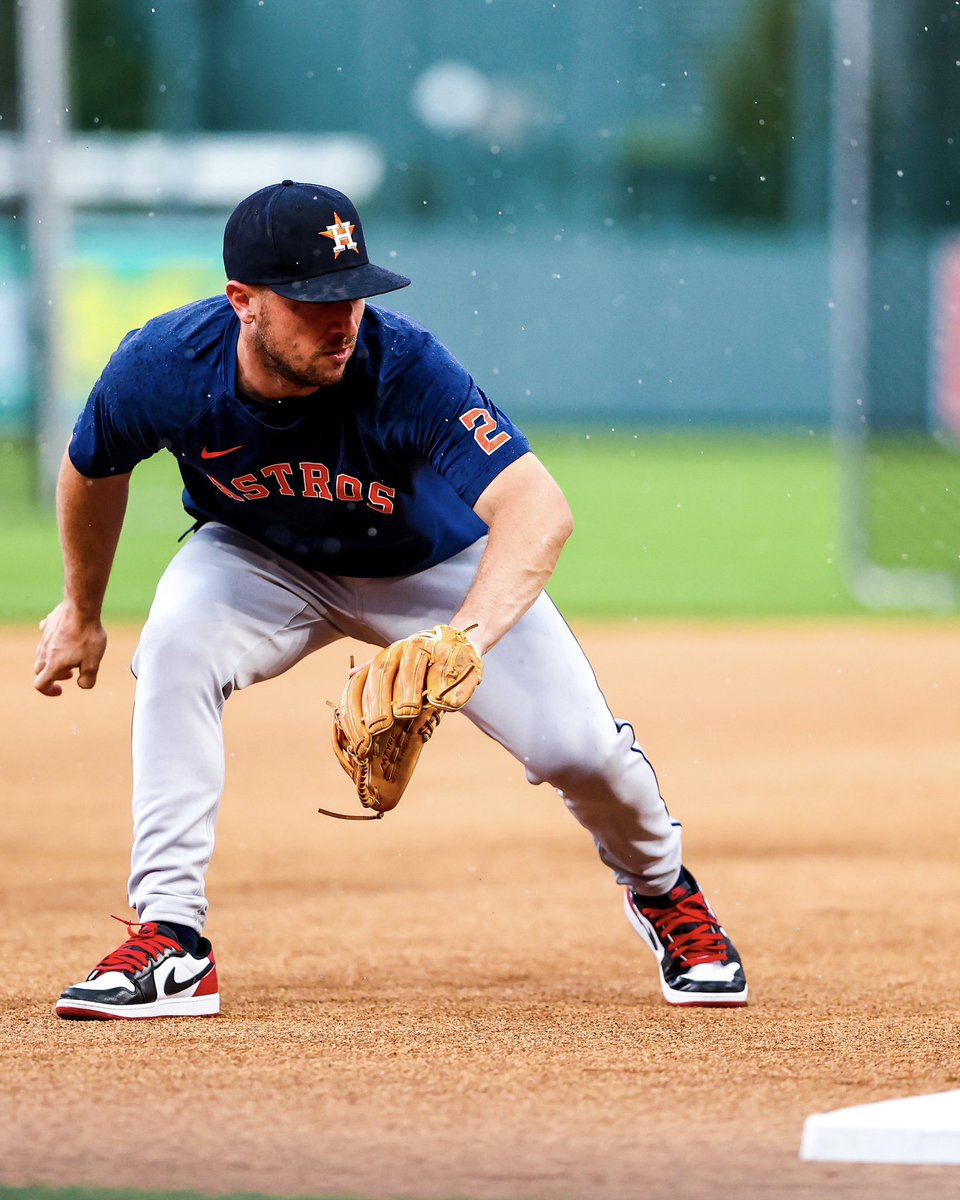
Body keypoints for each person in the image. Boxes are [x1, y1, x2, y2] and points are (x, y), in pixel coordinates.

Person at [34, 180, 748, 1019]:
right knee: (176, 648)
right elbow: (92, 468)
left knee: (577, 751)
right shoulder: (163, 366)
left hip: (429, 570)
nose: (343, 320)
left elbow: (538, 511)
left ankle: (665, 893)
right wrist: (82, 610)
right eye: (313, 301)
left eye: (354, 295)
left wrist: (466, 639)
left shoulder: (404, 367)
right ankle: (172, 937)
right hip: (261, 556)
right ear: (244, 303)